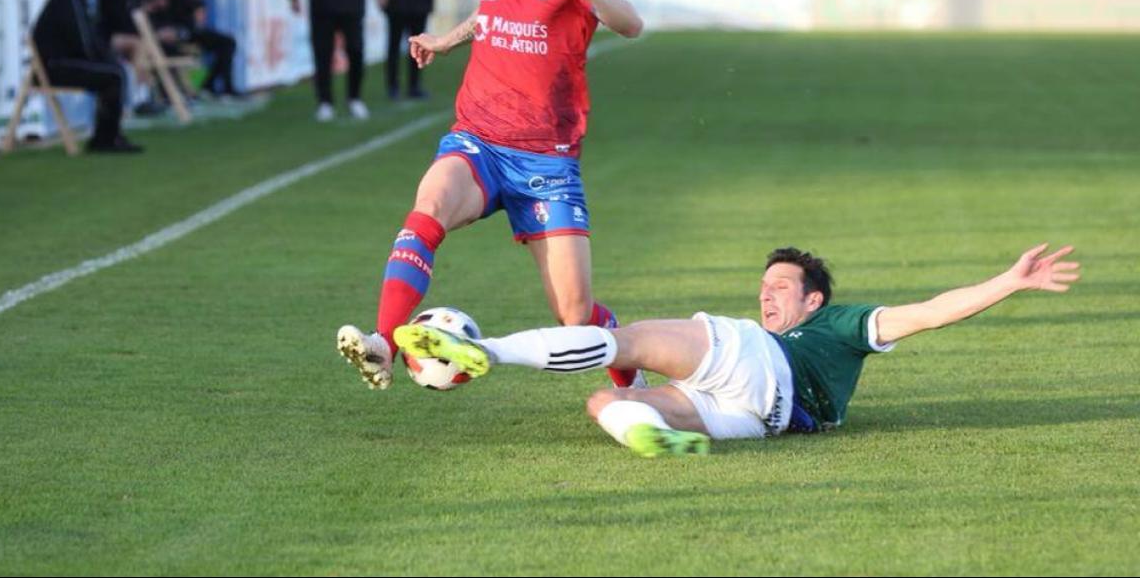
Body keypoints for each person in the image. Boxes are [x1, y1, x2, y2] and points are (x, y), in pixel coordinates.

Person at [336, 0, 643, 391]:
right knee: (429, 205)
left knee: (574, 315)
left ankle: (631, 380)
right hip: (479, 139)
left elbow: (630, 23)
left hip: (547, 162)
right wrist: (445, 41)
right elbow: (491, 16)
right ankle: (384, 342)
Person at [396, 243, 1081, 458]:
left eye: (781, 286)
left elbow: (928, 313)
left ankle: (484, 350)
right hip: (766, 418)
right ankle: (661, 437)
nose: (767, 296)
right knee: (607, 395)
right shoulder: (783, 333)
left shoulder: (839, 325)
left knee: (627, 339)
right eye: (762, 287)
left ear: (815, 300)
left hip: (759, 370)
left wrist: (1008, 281)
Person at [32, 0, 142, 153]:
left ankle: (109, 135)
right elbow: (82, 43)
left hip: (64, 62)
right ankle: (105, 139)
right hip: (55, 66)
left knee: (115, 71)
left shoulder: (77, 1)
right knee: (113, 75)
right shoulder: (66, 2)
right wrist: (104, 58)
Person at [148, 0, 239, 98]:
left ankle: (213, 86)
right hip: (178, 32)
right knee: (225, 43)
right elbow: (186, 2)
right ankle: (212, 88)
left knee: (227, 43)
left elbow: (192, 2)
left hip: (190, 30)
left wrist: (193, 0)